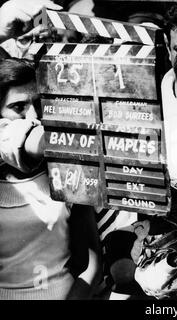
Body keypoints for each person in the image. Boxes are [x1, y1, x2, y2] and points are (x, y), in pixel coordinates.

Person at [0, 58, 101, 299]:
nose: (33, 116)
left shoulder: (67, 170)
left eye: (38, 103)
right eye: (18, 107)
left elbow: (91, 265)